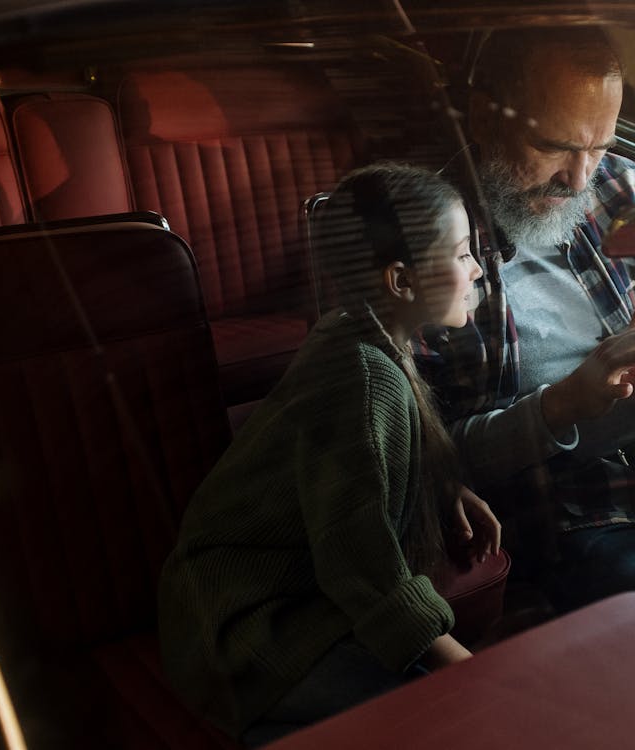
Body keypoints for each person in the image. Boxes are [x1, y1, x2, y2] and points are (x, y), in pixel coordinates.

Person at [158, 163, 500, 746]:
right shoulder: (364, 377)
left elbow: (367, 470)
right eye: (463, 253)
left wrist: (441, 490)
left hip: (290, 600)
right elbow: (363, 570)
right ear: (401, 281)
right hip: (246, 629)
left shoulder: (364, 332)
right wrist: (483, 677)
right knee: (438, 718)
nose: (476, 270)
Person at [415, 27, 635, 613]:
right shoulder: (425, 242)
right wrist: (562, 406)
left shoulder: (628, 188)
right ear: (484, 118)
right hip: (570, 505)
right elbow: (422, 463)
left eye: (600, 147)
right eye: (556, 146)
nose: (581, 179)